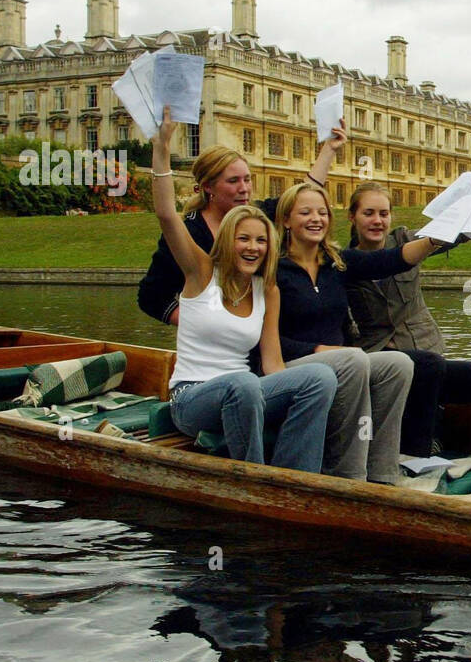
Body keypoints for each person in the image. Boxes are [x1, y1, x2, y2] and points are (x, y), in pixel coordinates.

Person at [326, 168, 471, 475]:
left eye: (383, 213)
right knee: (425, 367)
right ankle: (418, 455)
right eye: (368, 213)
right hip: (382, 367)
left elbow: (457, 233)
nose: (377, 220)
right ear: (352, 217)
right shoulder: (343, 263)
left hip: (427, 355)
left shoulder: (406, 240)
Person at [151, 106, 337, 471]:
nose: (253, 247)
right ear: (226, 241)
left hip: (247, 391)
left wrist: (291, 394)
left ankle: (297, 475)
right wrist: (161, 148)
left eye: (260, 240)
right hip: (192, 397)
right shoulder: (201, 272)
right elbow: (166, 215)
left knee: (319, 377)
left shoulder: (267, 290)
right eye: (243, 239)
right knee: (243, 383)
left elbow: (272, 363)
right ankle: (253, 477)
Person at [272, 180, 427, 483]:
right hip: (291, 366)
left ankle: (382, 470)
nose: (316, 219)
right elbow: (261, 342)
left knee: (398, 364)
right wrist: (317, 350)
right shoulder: (273, 269)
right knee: (354, 359)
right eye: (306, 212)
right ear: (286, 220)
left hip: (340, 363)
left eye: (322, 212)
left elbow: (392, 260)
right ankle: (348, 471)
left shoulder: (336, 263)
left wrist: (436, 240)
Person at [138, 122, 346, 325]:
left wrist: (329, 148)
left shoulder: (257, 216)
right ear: (208, 186)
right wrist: (205, 324)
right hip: (217, 338)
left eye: (247, 179)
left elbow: (302, 195)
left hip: (258, 333)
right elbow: (151, 297)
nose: (244, 188)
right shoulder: (191, 231)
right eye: (233, 181)